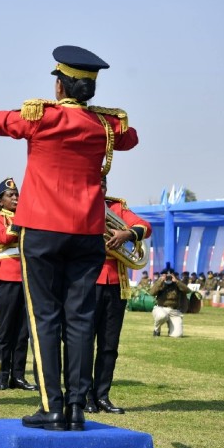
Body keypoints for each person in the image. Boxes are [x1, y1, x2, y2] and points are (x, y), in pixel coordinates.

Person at [0, 45, 138, 431]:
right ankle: (77, 408)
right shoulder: (105, 125)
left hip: (42, 231)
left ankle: (51, 406)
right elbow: (130, 137)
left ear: (59, 86)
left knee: (45, 318)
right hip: (87, 234)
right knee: (82, 320)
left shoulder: (42, 118)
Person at [87, 176, 152, 414]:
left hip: (116, 284)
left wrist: (127, 235)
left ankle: (102, 395)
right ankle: (83, 396)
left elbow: (145, 226)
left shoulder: (116, 207)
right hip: (86, 283)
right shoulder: (76, 206)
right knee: (83, 343)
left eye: (103, 183)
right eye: (96, 182)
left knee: (109, 345)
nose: (100, 187)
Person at [0, 178, 37, 392]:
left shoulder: (28, 218)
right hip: (7, 274)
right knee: (5, 330)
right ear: (0, 201)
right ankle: (2, 375)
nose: (15, 198)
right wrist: (23, 221)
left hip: (28, 275)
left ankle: (18, 375)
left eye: (16, 195)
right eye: (10, 195)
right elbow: (2, 237)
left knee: (23, 330)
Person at [150, 268, 190, 337]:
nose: (168, 278)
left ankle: (171, 329)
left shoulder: (177, 283)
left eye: (170, 276)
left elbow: (188, 291)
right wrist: (161, 280)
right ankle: (157, 329)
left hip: (174, 311)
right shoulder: (160, 283)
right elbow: (152, 293)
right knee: (162, 316)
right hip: (161, 308)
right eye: (166, 276)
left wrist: (177, 281)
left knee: (177, 335)